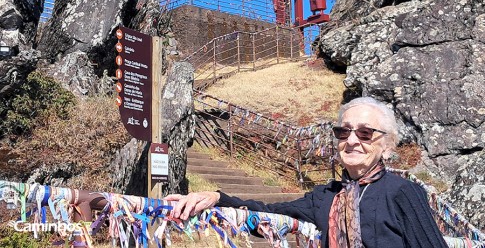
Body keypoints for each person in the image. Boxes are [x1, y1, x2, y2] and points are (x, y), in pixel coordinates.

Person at [165, 97, 448, 248]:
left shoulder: (402, 192)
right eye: (343, 131)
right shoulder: (324, 197)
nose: (351, 141)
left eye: (364, 133)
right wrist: (216, 197)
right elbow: (266, 214)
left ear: (386, 145)